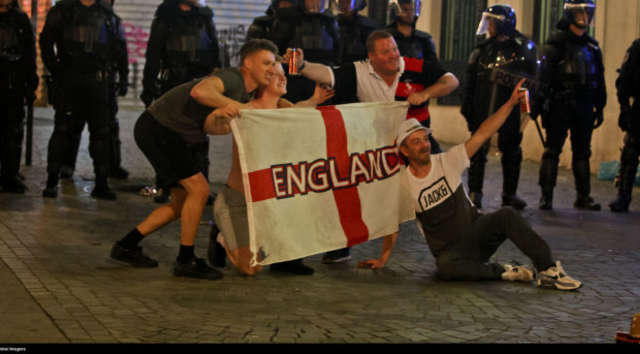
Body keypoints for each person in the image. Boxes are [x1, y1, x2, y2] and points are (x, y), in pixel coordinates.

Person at [359, 80, 582, 291]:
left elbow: (483, 132)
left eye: (425, 139)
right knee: (445, 268)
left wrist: (510, 103)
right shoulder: (403, 184)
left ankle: (549, 270)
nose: (424, 145)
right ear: (405, 151)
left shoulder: (447, 161)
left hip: (477, 234)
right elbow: (393, 224)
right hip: (452, 254)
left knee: (507, 214)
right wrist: (383, 258)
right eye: (416, 142)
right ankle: (506, 272)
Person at [110, 38, 277, 280]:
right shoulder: (233, 78)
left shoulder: (246, 92)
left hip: (165, 132)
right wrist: (237, 107)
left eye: (274, 64)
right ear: (248, 64)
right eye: (266, 63)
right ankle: (185, 261)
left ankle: (126, 245)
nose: (272, 69)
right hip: (159, 128)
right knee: (199, 190)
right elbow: (199, 91)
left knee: (182, 201)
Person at [298, 29, 459, 262]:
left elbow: (451, 80)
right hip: (380, 147)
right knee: (352, 187)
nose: (394, 55)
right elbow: (327, 74)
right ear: (371, 57)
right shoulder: (359, 71)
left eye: (394, 48)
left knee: (438, 189)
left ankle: (453, 244)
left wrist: (426, 93)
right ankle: (343, 244)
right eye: (386, 51)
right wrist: (302, 65)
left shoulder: (413, 66)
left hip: (418, 144)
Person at [206, 60, 334, 276]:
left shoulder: (286, 110)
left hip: (269, 204)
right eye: (275, 74)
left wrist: (314, 100)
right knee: (251, 268)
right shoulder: (244, 111)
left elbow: (300, 110)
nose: (283, 77)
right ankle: (221, 236)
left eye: (283, 73)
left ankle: (282, 254)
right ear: (261, 81)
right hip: (239, 201)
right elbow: (212, 126)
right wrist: (217, 116)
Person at [40, 0, 121, 200]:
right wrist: (55, 68)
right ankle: (52, 181)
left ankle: (102, 182)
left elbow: (119, 47)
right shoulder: (63, 10)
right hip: (70, 78)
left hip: (98, 81)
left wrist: (122, 76)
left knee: (101, 133)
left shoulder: (107, 14)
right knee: (63, 130)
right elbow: (46, 41)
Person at [140, 0, 219, 204]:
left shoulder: (204, 16)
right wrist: (149, 85)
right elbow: (153, 53)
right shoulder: (165, 17)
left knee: (200, 137)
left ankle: (201, 187)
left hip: (200, 82)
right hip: (173, 81)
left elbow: (214, 49)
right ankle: (166, 186)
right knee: (169, 136)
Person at [531, 0, 606, 211]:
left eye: (587, 12)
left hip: (584, 105)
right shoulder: (555, 44)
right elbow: (543, 78)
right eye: (579, 12)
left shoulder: (592, 47)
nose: (584, 16)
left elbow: (599, 78)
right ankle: (547, 196)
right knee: (552, 150)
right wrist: (537, 105)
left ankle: (583, 196)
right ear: (570, 14)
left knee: (582, 152)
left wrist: (600, 106)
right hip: (559, 105)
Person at [460, 4, 538, 209]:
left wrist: (532, 105)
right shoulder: (482, 50)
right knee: (477, 150)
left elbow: (532, 80)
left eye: (493, 21)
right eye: (488, 21)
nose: (489, 26)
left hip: (510, 110)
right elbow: (469, 81)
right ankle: (475, 192)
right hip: (482, 108)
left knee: (512, 151)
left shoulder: (521, 49)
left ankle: (509, 194)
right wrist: (467, 106)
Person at [60, 0, 129, 180]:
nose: (108, 0)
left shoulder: (111, 20)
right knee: (73, 124)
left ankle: (111, 166)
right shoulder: (78, 16)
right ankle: (66, 165)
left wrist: (123, 77)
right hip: (79, 78)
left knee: (108, 127)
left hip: (104, 80)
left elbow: (121, 51)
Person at [0, 0, 38, 193]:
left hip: (11, 84)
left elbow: (29, 54)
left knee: (11, 134)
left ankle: (8, 175)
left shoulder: (20, 20)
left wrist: (31, 84)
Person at [384, 0, 444, 153]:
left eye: (412, 9)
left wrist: (426, 92)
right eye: (405, 8)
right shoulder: (384, 37)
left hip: (418, 107)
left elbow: (437, 72)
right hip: (391, 106)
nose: (409, 13)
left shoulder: (424, 40)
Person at [268, 0, 340, 103]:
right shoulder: (286, 19)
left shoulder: (329, 20)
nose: (315, 1)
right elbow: (275, 51)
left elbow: (338, 51)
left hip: (322, 81)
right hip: (295, 81)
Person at [609, 38, 640, 212]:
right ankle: (623, 196)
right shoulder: (637, 48)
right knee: (631, 150)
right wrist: (625, 108)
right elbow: (624, 80)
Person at [332, 0, 376, 64]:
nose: (345, 5)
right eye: (341, 2)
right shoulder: (330, 23)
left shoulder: (367, 25)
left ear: (357, 2)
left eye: (349, 1)